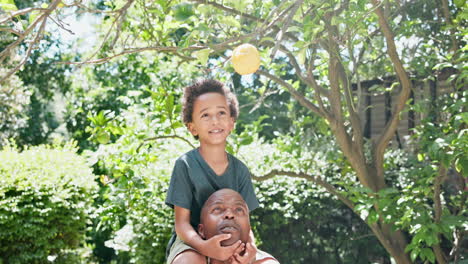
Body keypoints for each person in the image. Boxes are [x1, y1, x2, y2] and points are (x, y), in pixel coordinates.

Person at [165, 79, 260, 264]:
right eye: (205, 115)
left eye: (221, 113)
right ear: (192, 127)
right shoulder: (185, 165)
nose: (215, 120)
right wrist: (204, 247)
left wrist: (251, 248)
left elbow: (246, 224)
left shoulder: (240, 170)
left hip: (234, 239)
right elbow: (182, 224)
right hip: (191, 242)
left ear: (232, 122)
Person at [198, 188, 279, 264]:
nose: (229, 214)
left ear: (249, 230)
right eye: (217, 209)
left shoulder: (267, 262)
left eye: (239, 209)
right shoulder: (189, 258)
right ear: (202, 230)